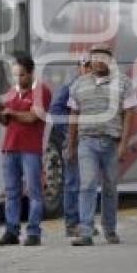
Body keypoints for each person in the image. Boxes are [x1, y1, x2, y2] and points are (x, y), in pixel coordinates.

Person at [68, 44, 137, 246]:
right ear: (90, 60)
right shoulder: (79, 84)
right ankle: (86, 231)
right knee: (87, 184)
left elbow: (129, 114)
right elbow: (73, 115)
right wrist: (70, 145)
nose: (99, 61)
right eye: (95, 57)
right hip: (86, 142)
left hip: (112, 143)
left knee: (109, 187)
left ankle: (110, 229)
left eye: (103, 57)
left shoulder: (124, 83)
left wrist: (124, 144)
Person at [0, 54, 52, 246]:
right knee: (11, 191)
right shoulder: (12, 92)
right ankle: (11, 231)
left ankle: (34, 232)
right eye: (15, 76)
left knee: (34, 191)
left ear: (31, 72)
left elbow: (33, 118)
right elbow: (5, 121)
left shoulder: (41, 91)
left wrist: (12, 113)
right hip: (10, 147)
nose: (18, 80)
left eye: (22, 76)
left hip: (30, 148)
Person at [48, 55, 91, 237]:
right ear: (79, 68)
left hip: (88, 141)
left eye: (90, 65)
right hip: (72, 141)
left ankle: (84, 221)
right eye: (85, 65)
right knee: (72, 182)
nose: (89, 69)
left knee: (87, 183)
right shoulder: (71, 87)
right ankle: (72, 223)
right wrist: (69, 130)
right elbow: (55, 110)